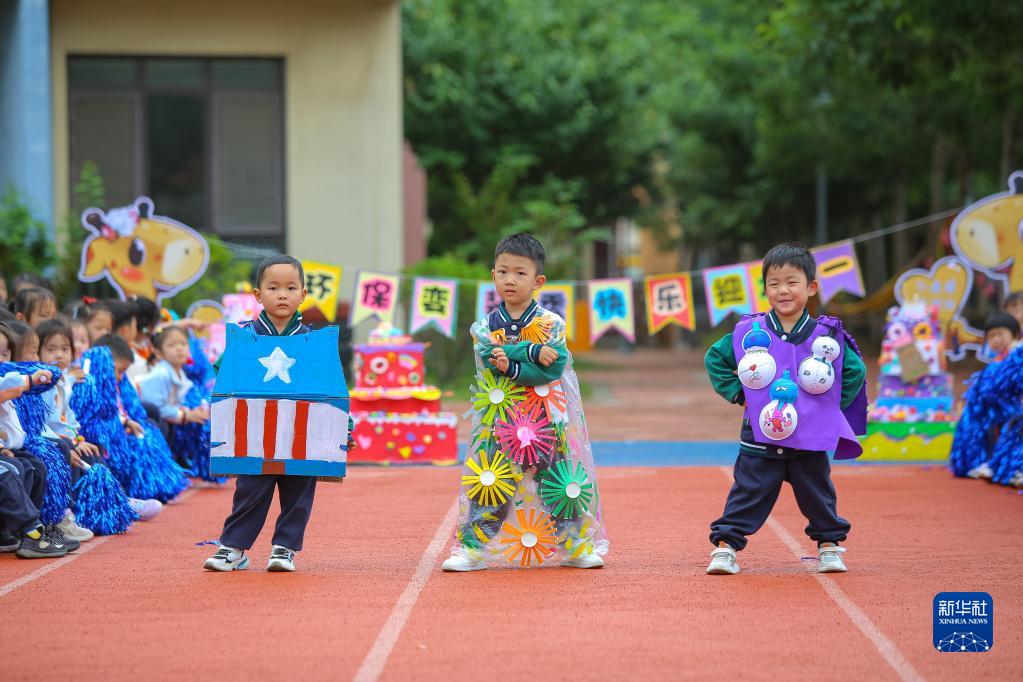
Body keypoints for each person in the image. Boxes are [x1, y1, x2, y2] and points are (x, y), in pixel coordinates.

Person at [441, 233, 608, 572]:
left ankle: (575, 544)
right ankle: (472, 547)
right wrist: (532, 351)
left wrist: (513, 362)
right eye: (503, 272)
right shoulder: (484, 326)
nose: (510, 280)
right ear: (493, 276)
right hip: (501, 420)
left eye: (520, 273)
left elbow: (553, 368)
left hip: (545, 420)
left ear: (538, 281)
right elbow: (491, 360)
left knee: (558, 482)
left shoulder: (551, 324)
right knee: (491, 480)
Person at [704, 243, 867, 575]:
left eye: (792, 282)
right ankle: (725, 548)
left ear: (811, 287)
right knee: (747, 492)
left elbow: (855, 371)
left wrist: (829, 409)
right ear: (764, 289)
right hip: (760, 436)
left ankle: (829, 546)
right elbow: (715, 359)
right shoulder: (749, 333)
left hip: (810, 437)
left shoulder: (826, 336)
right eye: (774, 283)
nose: (783, 290)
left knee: (818, 494)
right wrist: (738, 394)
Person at [204, 255, 321, 573]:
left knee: (299, 486)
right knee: (251, 486)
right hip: (254, 428)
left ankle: (285, 548)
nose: (282, 295)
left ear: (303, 294)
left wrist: (344, 427)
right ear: (258, 295)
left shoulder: (313, 342)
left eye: (291, 288)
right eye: (273, 287)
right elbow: (224, 376)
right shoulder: (244, 338)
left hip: (300, 429)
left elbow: (329, 386)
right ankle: (234, 547)